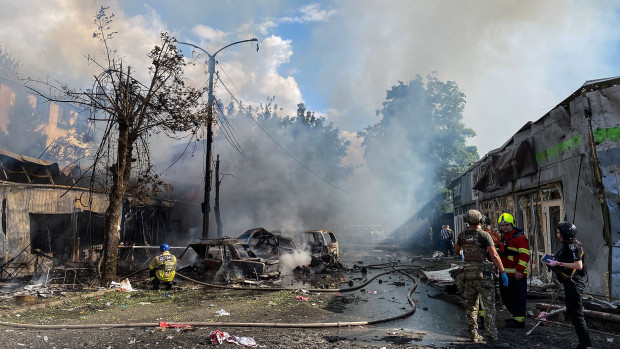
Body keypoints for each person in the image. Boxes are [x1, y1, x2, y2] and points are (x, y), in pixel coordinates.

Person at [454, 209, 509, 343]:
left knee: (471, 306)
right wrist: (502, 272)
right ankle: (491, 336)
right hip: (484, 276)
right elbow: (494, 255)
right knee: (489, 306)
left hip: (468, 275)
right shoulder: (484, 235)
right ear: (481, 221)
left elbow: (457, 251)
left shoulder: (462, 235)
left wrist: (465, 253)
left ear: (466, 221)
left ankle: (473, 335)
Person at [545, 222, 592, 349]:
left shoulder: (572, 246)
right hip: (569, 283)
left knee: (577, 314)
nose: (557, 235)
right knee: (572, 312)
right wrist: (553, 260)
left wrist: (558, 264)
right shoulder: (567, 246)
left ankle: (586, 345)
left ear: (565, 234)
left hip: (574, 283)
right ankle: (584, 343)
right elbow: (565, 259)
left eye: (559, 232)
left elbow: (578, 265)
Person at [497, 212, 530, 328]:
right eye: (502, 225)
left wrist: (520, 270)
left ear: (512, 224)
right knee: (507, 297)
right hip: (505, 274)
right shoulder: (502, 238)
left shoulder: (520, 238)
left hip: (517, 275)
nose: (504, 227)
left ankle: (519, 321)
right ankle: (513, 317)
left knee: (518, 297)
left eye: (506, 224)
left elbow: (525, 255)